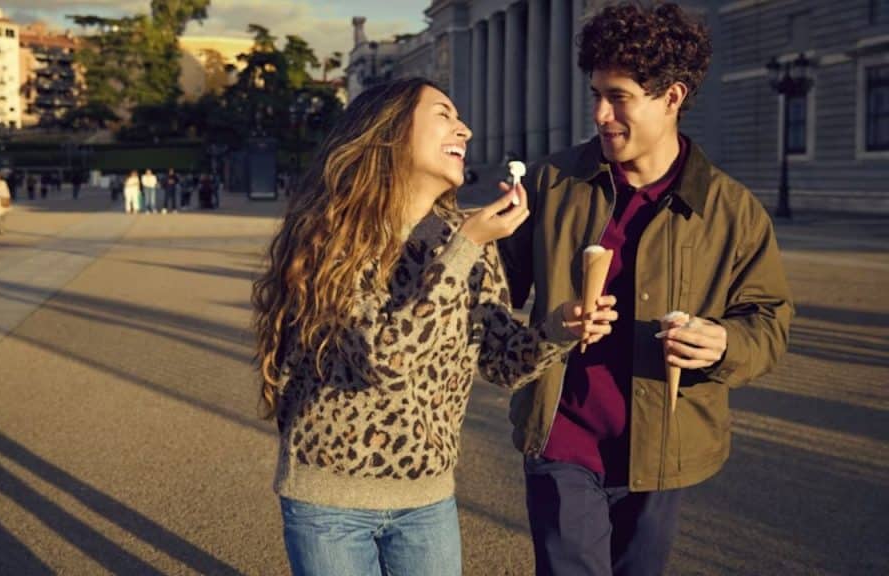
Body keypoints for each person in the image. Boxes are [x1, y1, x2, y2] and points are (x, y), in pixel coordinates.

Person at [250, 78, 616, 576]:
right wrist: (466, 244)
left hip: (428, 499)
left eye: (460, 117)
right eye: (444, 114)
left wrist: (560, 328)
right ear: (391, 132)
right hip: (330, 500)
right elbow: (384, 360)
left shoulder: (468, 239)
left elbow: (502, 361)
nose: (463, 128)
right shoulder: (334, 235)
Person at [497, 4, 794, 575]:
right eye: (595, 94)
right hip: (563, 436)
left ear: (673, 97)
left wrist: (725, 343)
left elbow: (769, 318)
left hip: (665, 448)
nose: (600, 114)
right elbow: (491, 291)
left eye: (618, 96)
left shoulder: (731, 209)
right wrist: (548, 327)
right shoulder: (552, 183)